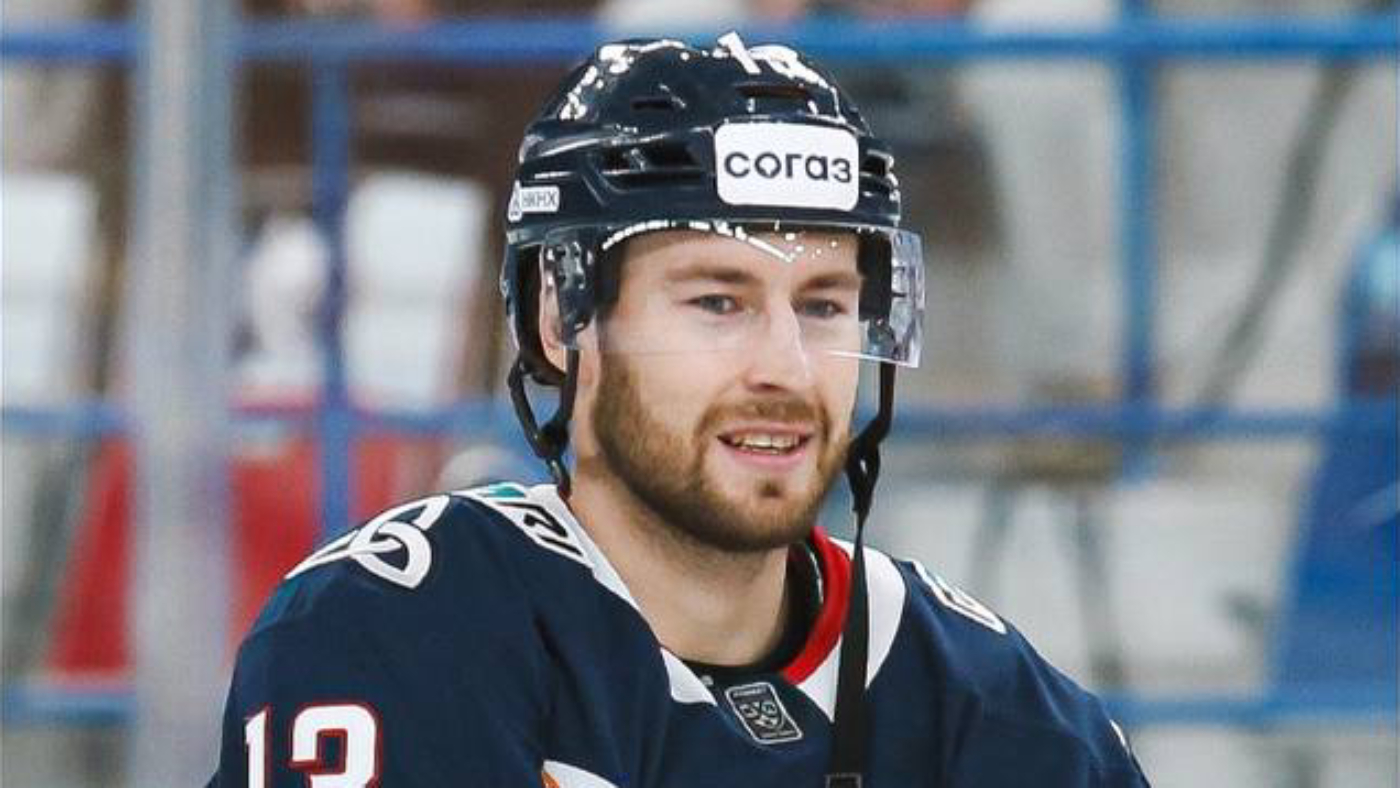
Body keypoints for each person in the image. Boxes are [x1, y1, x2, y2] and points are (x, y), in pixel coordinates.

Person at [208, 33, 1150, 787]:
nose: (785, 367)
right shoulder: (398, 630)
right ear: (562, 319)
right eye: (717, 302)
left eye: (824, 305)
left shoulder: (988, 700)